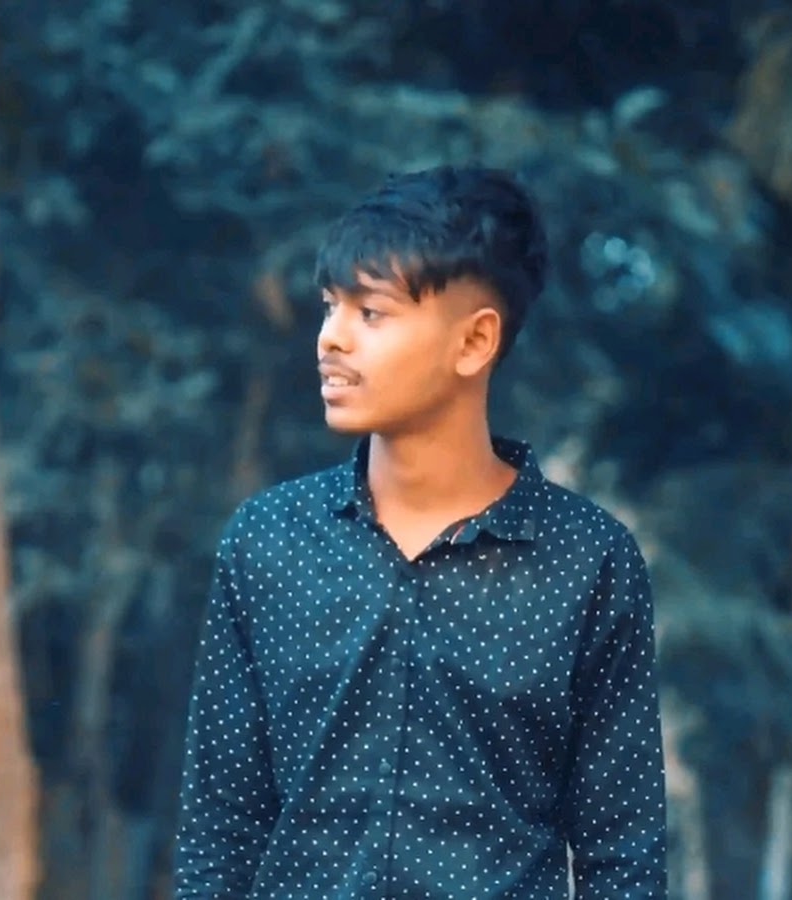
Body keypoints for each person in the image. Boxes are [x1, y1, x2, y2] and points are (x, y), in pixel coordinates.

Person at [174, 165, 667, 898]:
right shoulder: (268, 541)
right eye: (329, 306)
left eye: (370, 313)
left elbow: (623, 857)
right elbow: (218, 832)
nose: (331, 338)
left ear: (475, 341)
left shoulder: (587, 561)